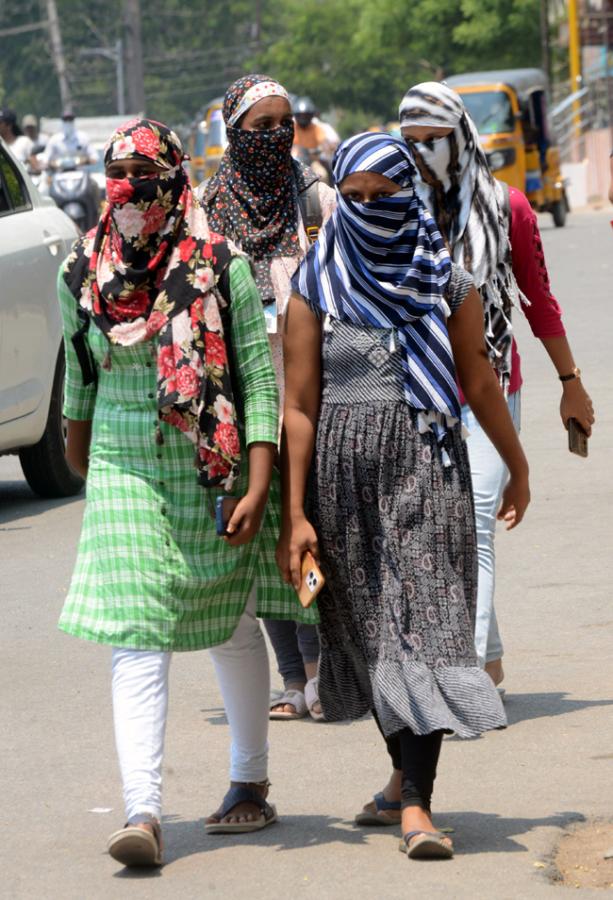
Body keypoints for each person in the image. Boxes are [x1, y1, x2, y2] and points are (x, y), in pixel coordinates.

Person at [57, 118, 307, 867]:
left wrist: (258, 485)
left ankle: (248, 781)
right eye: (118, 172)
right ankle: (144, 811)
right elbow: (80, 376)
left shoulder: (216, 263)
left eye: (144, 171)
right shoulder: (83, 267)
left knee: (226, 619)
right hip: (122, 467)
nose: (130, 188)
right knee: (134, 636)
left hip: (212, 467)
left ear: (173, 177)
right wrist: (88, 472)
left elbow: (257, 380)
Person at [278, 132, 530, 859]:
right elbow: (297, 404)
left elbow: (478, 379)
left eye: (381, 197)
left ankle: (416, 803)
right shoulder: (314, 284)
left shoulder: (445, 280)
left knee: (423, 624)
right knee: (376, 635)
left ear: (408, 195)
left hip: (427, 463)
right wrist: (294, 514)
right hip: (341, 476)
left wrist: (516, 465)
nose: (365, 211)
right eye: (351, 199)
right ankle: (400, 784)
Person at [398, 82, 594, 688]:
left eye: (435, 141)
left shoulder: (507, 208)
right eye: (412, 143)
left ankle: (464, 679)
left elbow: (540, 301)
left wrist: (571, 383)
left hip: (492, 382)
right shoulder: (392, 206)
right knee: (439, 523)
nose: (425, 155)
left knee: (475, 511)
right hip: (415, 385)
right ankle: (488, 654)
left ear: (460, 137)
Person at [201, 74, 336, 721]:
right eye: (261, 126)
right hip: (243, 402)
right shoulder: (207, 210)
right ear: (234, 131)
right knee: (259, 547)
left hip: (311, 396)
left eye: (284, 123)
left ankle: (322, 668)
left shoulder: (310, 194)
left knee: (307, 530)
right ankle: (292, 677)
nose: (276, 136)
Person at [292, 96, 339, 163]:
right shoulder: (291, 128)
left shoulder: (316, 128)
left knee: (322, 173)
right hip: (292, 160)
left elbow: (324, 143)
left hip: (312, 161)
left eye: (306, 116)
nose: (303, 118)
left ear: (311, 116)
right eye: (300, 116)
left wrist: (327, 149)